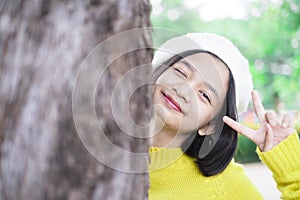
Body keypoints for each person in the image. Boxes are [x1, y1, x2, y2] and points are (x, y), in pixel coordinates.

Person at [148, 33, 300, 199]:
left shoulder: (219, 186)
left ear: (209, 126)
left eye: (204, 95)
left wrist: (292, 172)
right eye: (180, 72)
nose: (183, 91)